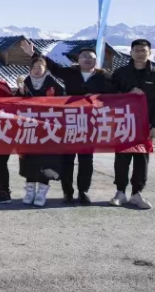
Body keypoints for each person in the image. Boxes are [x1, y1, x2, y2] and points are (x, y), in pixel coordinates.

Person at [21, 39, 114, 205]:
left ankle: (83, 191)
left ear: (96, 60)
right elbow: (52, 66)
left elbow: (116, 95)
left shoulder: (104, 76)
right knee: (68, 159)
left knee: (86, 160)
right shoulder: (70, 73)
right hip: (69, 123)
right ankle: (68, 191)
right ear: (78, 60)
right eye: (84, 56)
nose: (87, 59)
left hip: (91, 124)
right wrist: (34, 55)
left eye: (91, 57)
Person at [110, 39, 155, 210]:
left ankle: (137, 193)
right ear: (131, 52)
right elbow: (110, 94)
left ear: (149, 52)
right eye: (136, 50)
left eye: (143, 50)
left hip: (145, 124)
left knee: (141, 160)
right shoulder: (120, 73)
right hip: (123, 123)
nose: (140, 53)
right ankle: (120, 192)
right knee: (121, 159)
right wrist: (128, 91)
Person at [16, 56, 65, 207]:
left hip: (48, 130)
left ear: (46, 70)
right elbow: (16, 105)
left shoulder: (54, 85)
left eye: (40, 68)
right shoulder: (26, 83)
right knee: (29, 161)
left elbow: (63, 104)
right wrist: (20, 92)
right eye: (34, 68)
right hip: (29, 130)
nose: (37, 71)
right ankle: (30, 190)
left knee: (45, 162)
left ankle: (42, 191)